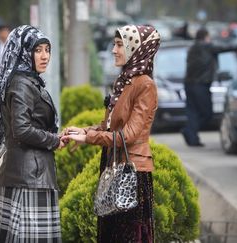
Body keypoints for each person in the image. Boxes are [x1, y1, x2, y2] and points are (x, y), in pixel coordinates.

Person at [62, 24, 160, 243]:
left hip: (131, 171)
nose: (114, 50)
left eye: (119, 45)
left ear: (137, 49)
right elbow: (109, 126)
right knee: (112, 234)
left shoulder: (145, 85)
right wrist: (85, 131)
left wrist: (89, 138)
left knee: (127, 236)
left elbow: (127, 136)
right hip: (114, 163)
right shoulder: (125, 80)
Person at [0, 25, 65, 242]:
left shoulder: (26, 80)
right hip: (30, 178)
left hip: (25, 173)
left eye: (47, 49)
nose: (44, 56)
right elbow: (21, 130)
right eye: (37, 50)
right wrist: (54, 140)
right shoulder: (22, 84)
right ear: (23, 52)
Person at [182, 28, 237, 146]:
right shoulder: (206, 46)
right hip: (201, 85)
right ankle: (189, 131)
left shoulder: (192, 48)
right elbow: (225, 48)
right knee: (207, 113)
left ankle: (192, 138)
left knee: (192, 112)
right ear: (205, 37)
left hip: (189, 84)